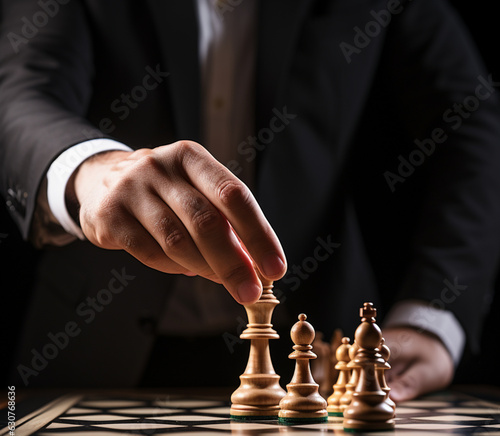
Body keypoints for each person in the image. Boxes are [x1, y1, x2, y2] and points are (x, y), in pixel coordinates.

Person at [1, 0, 500, 398]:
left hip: (320, 346)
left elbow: (467, 122)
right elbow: (20, 93)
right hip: (89, 350)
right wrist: (90, 169)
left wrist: (435, 311)